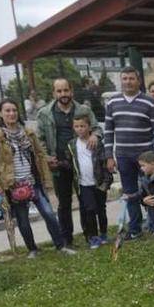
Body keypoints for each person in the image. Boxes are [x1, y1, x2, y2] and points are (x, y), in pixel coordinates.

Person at [0, 99, 76, 257]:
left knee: (49, 213)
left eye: (14, 110)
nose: (11, 113)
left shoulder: (28, 132)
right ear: (1, 113)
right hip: (14, 186)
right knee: (23, 220)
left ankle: (60, 245)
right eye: (7, 111)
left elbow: (40, 154)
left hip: (33, 182)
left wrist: (46, 176)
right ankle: (32, 249)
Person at [36, 78, 103, 247]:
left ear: (71, 91)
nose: (63, 94)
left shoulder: (84, 109)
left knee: (84, 200)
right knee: (64, 203)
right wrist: (46, 157)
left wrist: (95, 135)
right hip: (59, 164)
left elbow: (97, 127)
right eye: (59, 91)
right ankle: (67, 238)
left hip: (81, 164)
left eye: (66, 90)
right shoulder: (45, 113)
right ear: (54, 93)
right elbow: (39, 140)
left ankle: (89, 234)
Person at [104, 66, 154, 239]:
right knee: (130, 193)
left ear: (139, 81)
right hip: (123, 156)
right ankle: (135, 228)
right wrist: (109, 156)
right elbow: (108, 132)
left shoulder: (150, 103)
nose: (128, 82)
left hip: (146, 157)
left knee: (151, 191)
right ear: (121, 81)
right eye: (125, 78)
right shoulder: (112, 103)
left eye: (131, 78)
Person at [67, 113, 111, 249]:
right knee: (90, 210)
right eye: (77, 126)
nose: (80, 129)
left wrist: (106, 182)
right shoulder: (72, 144)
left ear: (89, 127)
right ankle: (93, 237)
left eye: (82, 126)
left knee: (101, 210)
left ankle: (103, 233)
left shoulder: (96, 143)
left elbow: (104, 163)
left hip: (98, 183)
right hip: (84, 185)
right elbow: (70, 161)